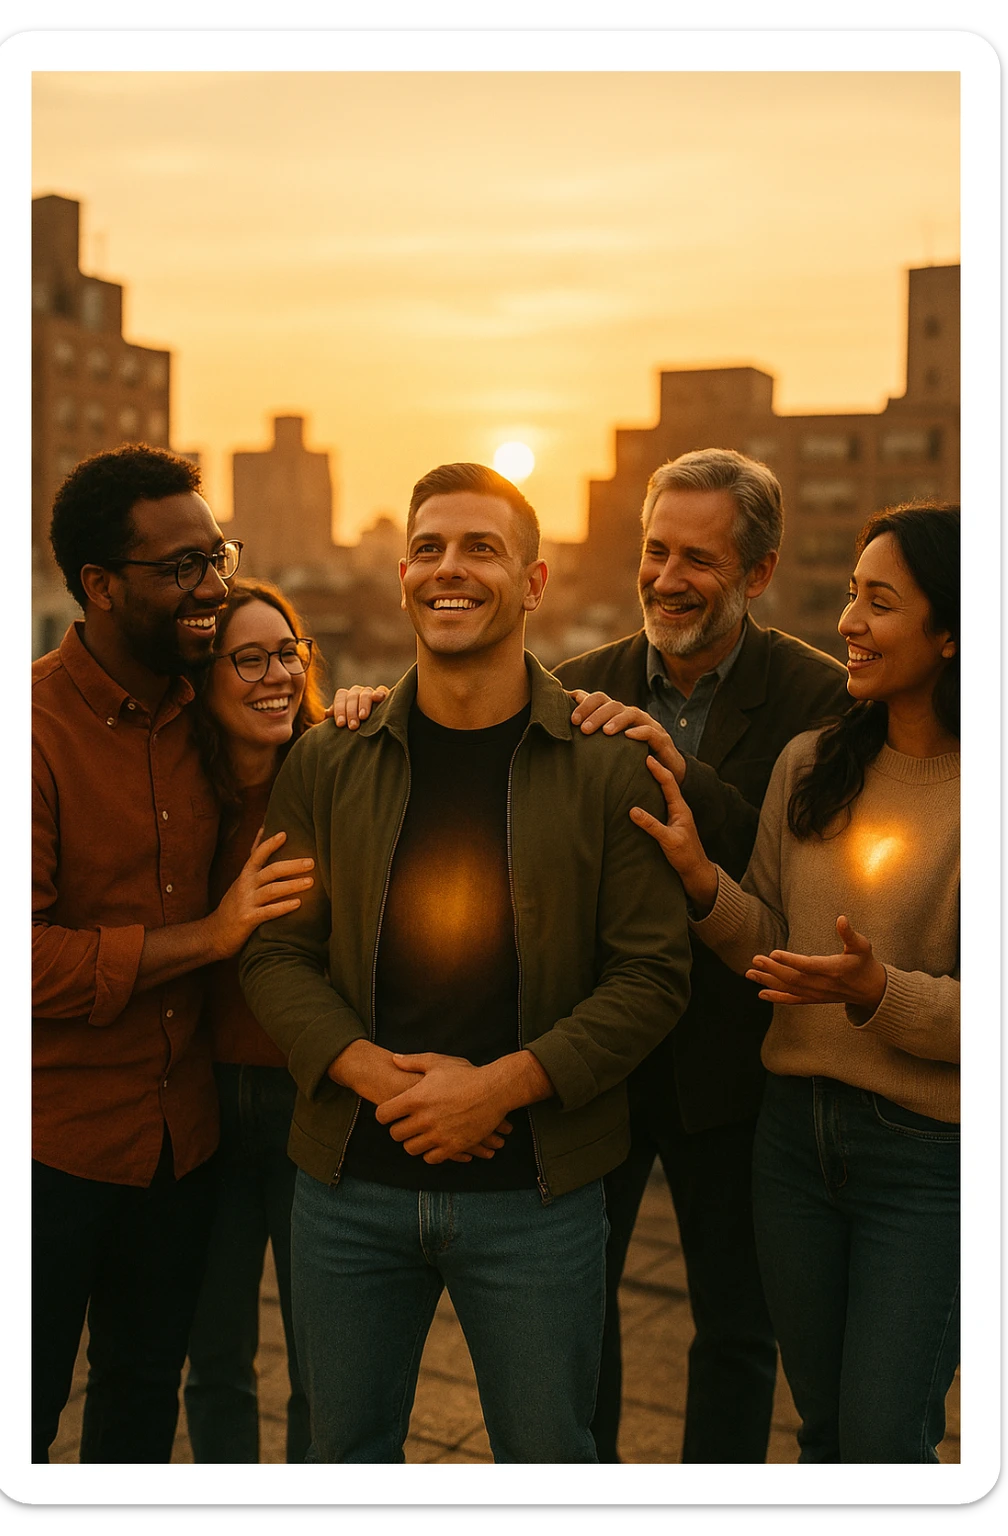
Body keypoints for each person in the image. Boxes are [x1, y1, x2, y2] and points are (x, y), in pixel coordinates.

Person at [329, 447, 851, 1463]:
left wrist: (673, 765)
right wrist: (359, 708)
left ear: (758, 572)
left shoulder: (819, 699)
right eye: (656, 551)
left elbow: (802, 877)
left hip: (734, 1068)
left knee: (736, 1330)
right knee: (578, 1318)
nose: (667, 578)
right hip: (586, 1066)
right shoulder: (576, 684)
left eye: (698, 559)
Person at [239, 462, 692, 1464]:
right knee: (342, 1458)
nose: (449, 568)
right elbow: (274, 953)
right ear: (402, 575)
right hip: (349, 1187)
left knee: (550, 1458)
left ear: (533, 583)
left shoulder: (605, 763)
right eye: (429, 548)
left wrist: (497, 1089)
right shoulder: (328, 757)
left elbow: (652, 977)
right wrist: (377, 1077)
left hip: (540, 1195)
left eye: (481, 547)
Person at [633, 503, 960, 1463]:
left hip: (930, 1158)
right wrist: (704, 882)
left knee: (883, 1438)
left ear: (951, 633)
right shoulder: (812, 762)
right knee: (822, 1431)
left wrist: (878, 991)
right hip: (791, 1143)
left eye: (881, 603)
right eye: (852, 596)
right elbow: (773, 943)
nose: (849, 622)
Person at [32, 444, 315, 1464]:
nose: (211, 587)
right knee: (21, 1409)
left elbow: (284, 719)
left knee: (143, 1403)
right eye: (181, 567)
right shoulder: (28, 732)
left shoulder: (206, 707)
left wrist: (356, 711)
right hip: (50, 1149)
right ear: (101, 585)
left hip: (183, 1145)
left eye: (216, 557)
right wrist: (211, 935)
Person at [183, 579, 325, 1464]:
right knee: (215, 1358)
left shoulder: (334, 774)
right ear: (204, 677)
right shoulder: (178, 793)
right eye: (248, 659)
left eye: (288, 653)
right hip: (200, 1103)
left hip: (311, 1102)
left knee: (324, 1361)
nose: (277, 674)